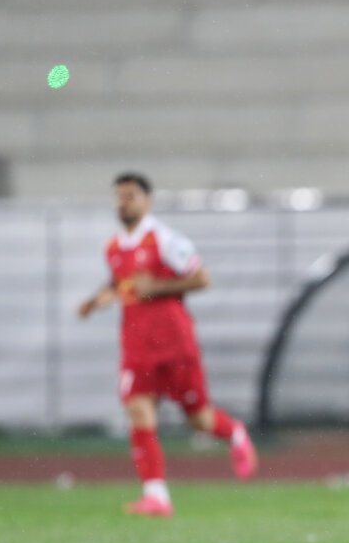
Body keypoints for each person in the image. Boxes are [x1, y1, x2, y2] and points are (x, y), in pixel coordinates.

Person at [78, 172, 258, 517]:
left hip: (174, 342)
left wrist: (157, 287)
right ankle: (156, 496)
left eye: (130, 196)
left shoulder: (165, 240)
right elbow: (119, 284)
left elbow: (202, 278)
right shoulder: (113, 247)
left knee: (199, 419)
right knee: (137, 409)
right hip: (136, 345)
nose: (123, 203)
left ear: (147, 202)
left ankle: (235, 432)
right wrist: (94, 302)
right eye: (119, 196)